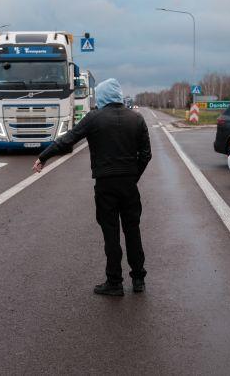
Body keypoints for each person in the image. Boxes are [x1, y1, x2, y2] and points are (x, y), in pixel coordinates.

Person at [32, 78, 151, 296]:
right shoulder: (137, 119)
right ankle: (138, 280)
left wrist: (44, 156)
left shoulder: (94, 118)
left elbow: (68, 139)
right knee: (133, 230)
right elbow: (146, 154)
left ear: (102, 96)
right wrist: (133, 176)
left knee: (111, 234)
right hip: (129, 185)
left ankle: (114, 283)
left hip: (105, 185)